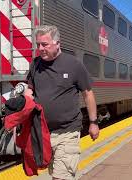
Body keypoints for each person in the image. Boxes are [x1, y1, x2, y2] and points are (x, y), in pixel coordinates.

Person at [26, 25, 99, 180]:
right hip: (43, 132)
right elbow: (30, 90)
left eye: (44, 44)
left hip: (67, 131)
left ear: (58, 43)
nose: (40, 48)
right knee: (54, 173)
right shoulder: (35, 64)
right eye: (38, 44)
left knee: (61, 177)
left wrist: (93, 122)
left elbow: (88, 94)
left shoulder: (74, 64)